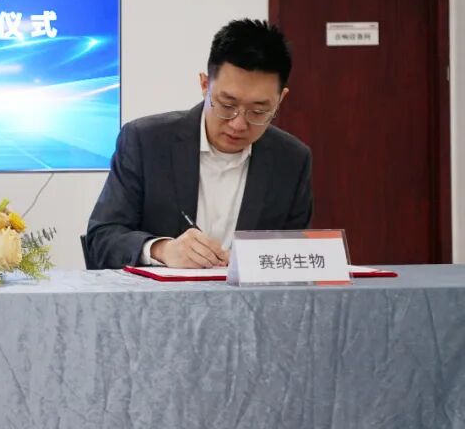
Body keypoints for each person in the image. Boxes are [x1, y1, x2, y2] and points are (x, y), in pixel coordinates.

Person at [85, 19, 312, 270]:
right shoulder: (145, 142)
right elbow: (101, 239)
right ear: (205, 85)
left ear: (281, 99)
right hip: (160, 296)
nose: (238, 124)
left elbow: (295, 255)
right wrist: (161, 249)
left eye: (258, 111)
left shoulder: (292, 160)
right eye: (227, 105)